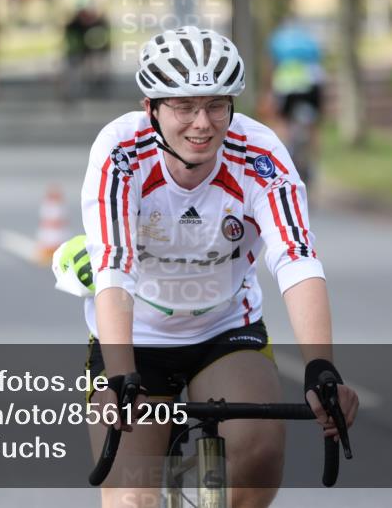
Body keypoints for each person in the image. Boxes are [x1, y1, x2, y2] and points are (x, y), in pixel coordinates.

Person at [62, 26, 358, 507]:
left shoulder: (259, 153)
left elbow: (296, 257)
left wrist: (321, 368)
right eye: (184, 106)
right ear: (151, 109)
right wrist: (119, 374)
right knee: (132, 496)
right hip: (136, 337)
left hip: (224, 328)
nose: (202, 123)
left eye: (216, 105)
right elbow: (113, 265)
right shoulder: (120, 152)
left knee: (259, 453)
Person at [268, 16, 326, 184]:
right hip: (312, 85)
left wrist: (268, 92)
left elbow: (271, 66)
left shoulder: (277, 39)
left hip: (286, 85)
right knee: (314, 126)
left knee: (281, 120)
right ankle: (315, 165)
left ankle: (284, 157)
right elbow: (319, 67)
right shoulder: (310, 39)